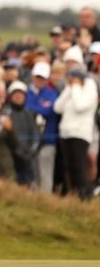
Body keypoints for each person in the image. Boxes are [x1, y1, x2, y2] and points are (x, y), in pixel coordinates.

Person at [54, 68, 98, 200]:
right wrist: (69, 89)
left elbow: (80, 105)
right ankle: (75, 196)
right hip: (66, 133)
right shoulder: (72, 91)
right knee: (70, 168)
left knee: (79, 167)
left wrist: (76, 87)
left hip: (81, 134)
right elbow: (57, 107)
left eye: (74, 78)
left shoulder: (89, 92)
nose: (72, 80)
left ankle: (86, 196)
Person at [25, 62, 60, 194]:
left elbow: (49, 110)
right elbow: (26, 110)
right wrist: (39, 107)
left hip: (47, 140)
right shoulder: (26, 92)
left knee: (45, 171)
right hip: (28, 140)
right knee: (31, 171)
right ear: (33, 76)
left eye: (43, 78)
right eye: (37, 77)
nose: (39, 80)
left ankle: (45, 199)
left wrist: (35, 109)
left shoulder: (52, 93)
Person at [5, 81, 40, 186]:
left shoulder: (29, 114)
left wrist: (30, 151)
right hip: (11, 156)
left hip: (27, 157)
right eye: (15, 94)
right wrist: (17, 151)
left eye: (21, 95)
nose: (18, 97)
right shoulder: (6, 112)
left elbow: (35, 134)